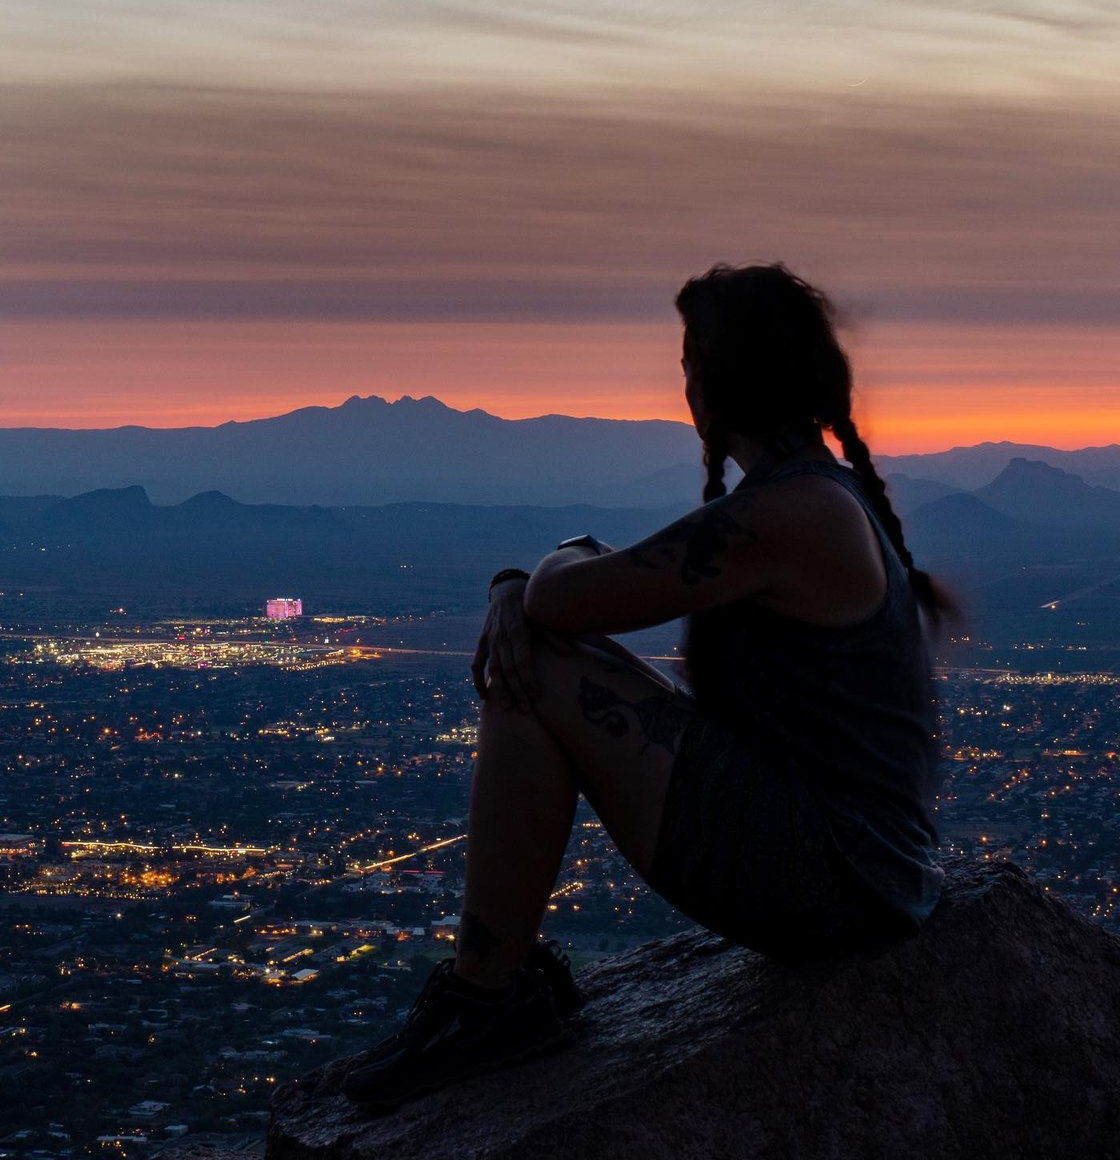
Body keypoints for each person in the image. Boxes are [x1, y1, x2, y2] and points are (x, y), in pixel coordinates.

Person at [342, 261, 948, 1109]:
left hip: (834, 877)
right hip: (859, 869)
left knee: (537, 664)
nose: (684, 379)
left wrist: (518, 586)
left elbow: (564, 599)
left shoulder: (792, 514)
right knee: (543, 651)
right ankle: (492, 986)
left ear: (718, 379)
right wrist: (525, 591)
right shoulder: (814, 498)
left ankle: (486, 996)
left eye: (690, 359)